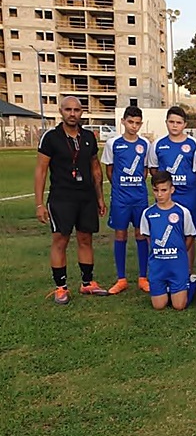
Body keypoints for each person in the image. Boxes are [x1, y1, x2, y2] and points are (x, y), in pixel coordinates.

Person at [36, 96, 107, 304]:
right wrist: (39, 204)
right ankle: (61, 287)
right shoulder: (51, 137)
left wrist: (100, 197)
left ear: (82, 112)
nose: (72, 114)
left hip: (86, 197)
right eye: (68, 109)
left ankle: (87, 283)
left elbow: (95, 168)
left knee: (86, 239)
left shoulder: (88, 137)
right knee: (60, 240)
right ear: (61, 111)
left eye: (76, 110)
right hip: (62, 198)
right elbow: (41, 171)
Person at [101, 106, 151, 294]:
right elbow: (110, 170)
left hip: (139, 198)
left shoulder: (145, 144)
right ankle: (121, 279)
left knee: (141, 235)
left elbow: (145, 170)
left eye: (137, 123)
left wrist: (135, 183)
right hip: (120, 199)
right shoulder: (113, 143)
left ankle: (143, 278)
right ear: (123, 121)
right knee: (120, 235)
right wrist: (120, 186)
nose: (134, 126)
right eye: (130, 122)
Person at [147, 106, 196, 275]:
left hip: (190, 196)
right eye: (171, 122)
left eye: (178, 122)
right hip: (167, 197)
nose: (175, 125)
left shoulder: (194, 144)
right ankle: (166, 269)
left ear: (185, 124)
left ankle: (188, 272)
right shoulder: (158, 144)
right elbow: (153, 169)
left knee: (188, 234)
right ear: (166, 123)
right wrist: (164, 188)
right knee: (165, 231)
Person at [139, 171, 196, 310]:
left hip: (177, 266)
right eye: (156, 190)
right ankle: (168, 288)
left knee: (179, 306)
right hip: (158, 267)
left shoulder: (182, 212)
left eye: (164, 190)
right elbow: (148, 238)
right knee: (159, 306)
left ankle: (193, 283)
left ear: (172, 189)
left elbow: (190, 236)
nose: (159, 194)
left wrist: (180, 252)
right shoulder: (148, 214)